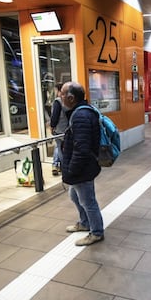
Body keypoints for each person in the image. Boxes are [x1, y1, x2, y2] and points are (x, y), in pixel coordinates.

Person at [60, 82, 104, 246]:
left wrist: (72, 170)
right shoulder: (83, 112)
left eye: (62, 94)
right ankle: (85, 223)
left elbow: (81, 149)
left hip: (83, 169)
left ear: (71, 98)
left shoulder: (80, 116)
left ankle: (96, 232)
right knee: (74, 195)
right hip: (84, 167)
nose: (60, 96)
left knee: (88, 201)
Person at [50, 82, 67, 176]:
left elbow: (54, 116)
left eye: (56, 90)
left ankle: (62, 167)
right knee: (60, 147)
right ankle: (56, 165)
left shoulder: (58, 101)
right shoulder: (69, 100)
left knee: (59, 148)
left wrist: (52, 126)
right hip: (67, 129)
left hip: (60, 130)